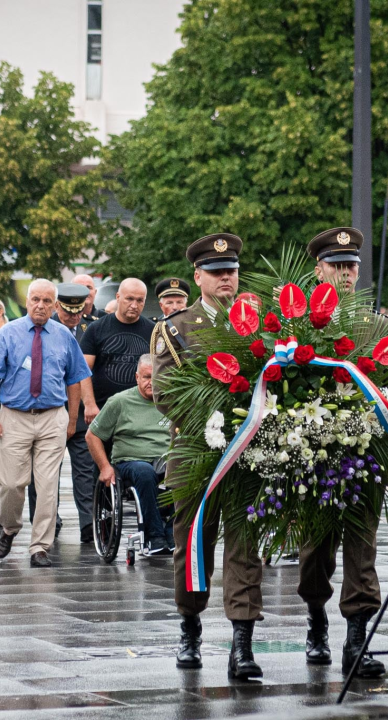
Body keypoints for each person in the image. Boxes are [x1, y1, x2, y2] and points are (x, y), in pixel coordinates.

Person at [151, 233, 264, 679]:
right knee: (194, 545)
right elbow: (166, 395)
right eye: (217, 273)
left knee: (244, 548)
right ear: (198, 277)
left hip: (248, 454)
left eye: (231, 272)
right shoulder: (175, 329)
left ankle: (242, 644)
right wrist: (220, 418)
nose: (226, 279)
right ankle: (190, 629)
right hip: (197, 453)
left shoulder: (257, 324)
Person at [299, 227, 386, 678]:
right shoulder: (298, 322)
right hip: (315, 453)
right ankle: (316, 620)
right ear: (319, 271)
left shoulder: (374, 324)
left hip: (364, 450)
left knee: (362, 546)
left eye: (352, 265)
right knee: (316, 552)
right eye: (337, 265)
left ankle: (356, 642)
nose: (347, 272)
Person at [0, 280, 91, 568]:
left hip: (52, 416)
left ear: (55, 306)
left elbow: (75, 379)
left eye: (46, 301)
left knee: (47, 486)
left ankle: (40, 546)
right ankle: (9, 528)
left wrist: (71, 418)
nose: (40, 306)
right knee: (10, 483)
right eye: (35, 300)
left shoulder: (64, 336)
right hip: (14, 416)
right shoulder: (8, 333)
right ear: (27, 302)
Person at [86, 354, 173, 555]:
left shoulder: (173, 401)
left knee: (186, 469)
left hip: (166, 460)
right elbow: (92, 436)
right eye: (146, 377)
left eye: (157, 377)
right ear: (137, 377)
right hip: (131, 462)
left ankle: (172, 532)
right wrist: (104, 467)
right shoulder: (120, 402)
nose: (152, 383)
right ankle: (154, 537)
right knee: (144, 472)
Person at [46, 283, 99, 542]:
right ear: (58, 307)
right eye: (68, 312)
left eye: (78, 312)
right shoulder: (45, 328)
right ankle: (48, 522)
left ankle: (88, 525)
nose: (74, 317)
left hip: (81, 417)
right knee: (46, 475)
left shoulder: (91, 328)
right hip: (51, 414)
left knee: (85, 472)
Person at [82, 278, 155, 410]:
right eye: (129, 299)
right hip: (103, 409)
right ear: (118, 297)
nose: (134, 305)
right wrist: (89, 404)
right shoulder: (96, 328)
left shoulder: (154, 331)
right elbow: (83, 371)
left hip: (142, 409)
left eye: (140, 300)